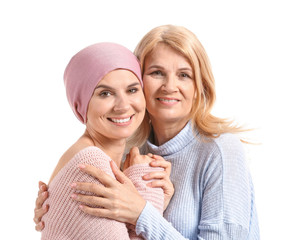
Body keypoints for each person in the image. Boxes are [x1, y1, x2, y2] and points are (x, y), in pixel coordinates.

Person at [34, 25, 260, 239]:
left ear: (200, 87)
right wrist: (58, 206)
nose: (170, 86)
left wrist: (142, 212)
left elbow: (139, 220)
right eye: (157, 73)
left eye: (184, 75)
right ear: (140, 81)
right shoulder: (127, 152)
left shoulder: (220, 151)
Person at [39, 42, 169, 240]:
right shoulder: (91, 165)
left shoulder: (109, 158)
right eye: (105, 93)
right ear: (81, 104)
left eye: (132, 90)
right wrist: (148, 191)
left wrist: (156, 200)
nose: (123, 105)